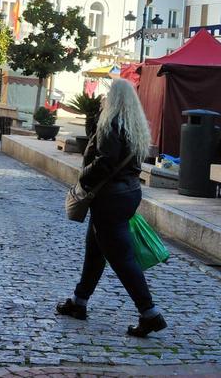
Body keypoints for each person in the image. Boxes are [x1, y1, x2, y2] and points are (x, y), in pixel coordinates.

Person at [56, 79, 166, 337]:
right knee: (95, 251)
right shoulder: (135, 126)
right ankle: (79, 302)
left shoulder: (110, 124)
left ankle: (149, 313)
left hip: (110, 198)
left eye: (107, 95)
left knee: (122, 258)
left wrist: (84, 176)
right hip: (128, 193)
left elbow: (105, 161)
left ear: (114, 98)